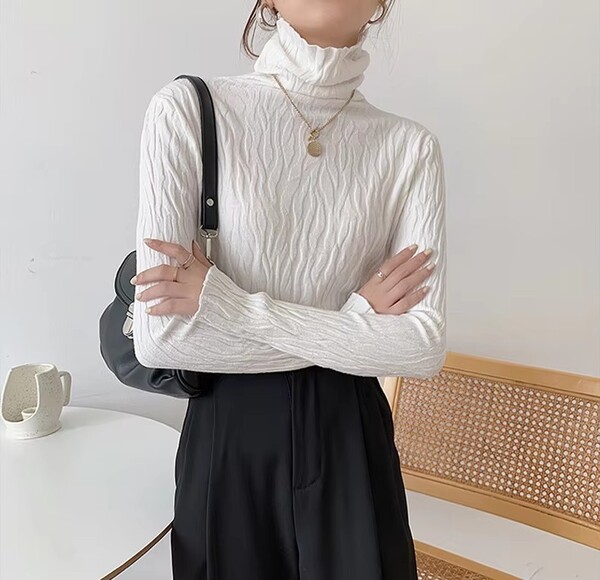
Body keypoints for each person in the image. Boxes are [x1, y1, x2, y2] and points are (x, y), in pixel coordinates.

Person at [130, 0, 447, 578]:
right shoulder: (189, 110)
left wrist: (227, 305)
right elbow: (163, 339)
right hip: (229, 439)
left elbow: (420, 347)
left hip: (351, 438)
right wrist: (357, 321)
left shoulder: (409, 147)